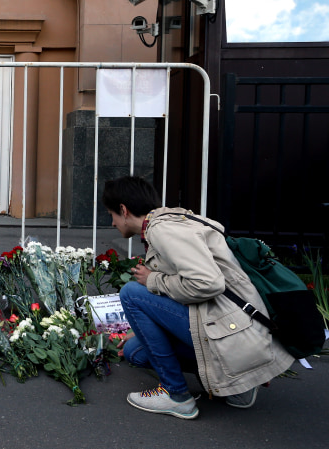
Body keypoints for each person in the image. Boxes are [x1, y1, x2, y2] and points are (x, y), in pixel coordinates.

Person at [102, 176, 293, 419]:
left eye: (111, 214)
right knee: (135, 351)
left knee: (131, 293)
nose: (112, 222)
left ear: (124, 210)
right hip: (234, 324)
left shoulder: (162, 230)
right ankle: (236, 381)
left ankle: (176, 395)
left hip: (230, 327)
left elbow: (208, 283)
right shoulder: (174, 221)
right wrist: (142, 326)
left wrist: (152, 280)